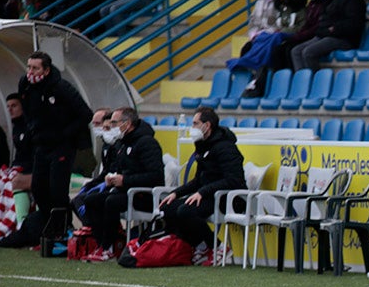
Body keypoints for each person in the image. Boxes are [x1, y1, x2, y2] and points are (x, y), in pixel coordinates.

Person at [18, 50, 93, 243]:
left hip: (62, 147)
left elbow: (85, 114)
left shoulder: (61, 88)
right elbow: (27, 112)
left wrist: (64, 134)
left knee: (57, 189)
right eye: (29, 67)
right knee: (38, 188)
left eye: (35, 68)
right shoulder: (25, 85)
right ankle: (50, 225)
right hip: (41, 145)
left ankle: (62, 229)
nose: (30, 71)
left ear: (46, 70)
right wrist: (33, 130)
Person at [159, 106, 246, 265]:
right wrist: (176, 193)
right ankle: (201, 245)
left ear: (207, 126)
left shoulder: (226, 147)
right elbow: (198, 180)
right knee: (167, 207)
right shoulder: (203, 146)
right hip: (209, 195)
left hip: (228, 198)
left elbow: (234, 180)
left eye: (195, 124)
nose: (192, 128)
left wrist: (203, 191)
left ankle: (218, 247)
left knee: (185, 211)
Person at [76, 107, 163, 261]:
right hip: (125, 191)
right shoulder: (123, 144)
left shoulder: (147, 143)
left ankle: (109, 248)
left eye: (115, 123)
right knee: (91, 199)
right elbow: (122, 170)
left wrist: (125, 180)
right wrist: (113, 178)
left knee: (111, 201)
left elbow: (156, 176)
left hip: (144, 195)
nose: (112, 127)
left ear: (127, 124)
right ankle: (103, 245)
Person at [290, 0, 366, 72]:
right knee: (296, 51)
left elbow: (354, 23)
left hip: (343, 38)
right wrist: (324, 30)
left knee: (308, 52)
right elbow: (324, 19)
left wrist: (334, 28)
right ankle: (303, 80)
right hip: (326, 34)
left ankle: (314, 82)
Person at [0, 93, 33, 240]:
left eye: (14, 106)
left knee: (10, 184)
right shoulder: (16, 127)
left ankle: (19, 226)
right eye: (8, 107)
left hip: (31, 170)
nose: (10, 110)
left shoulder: (31, 125)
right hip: (17, 167)